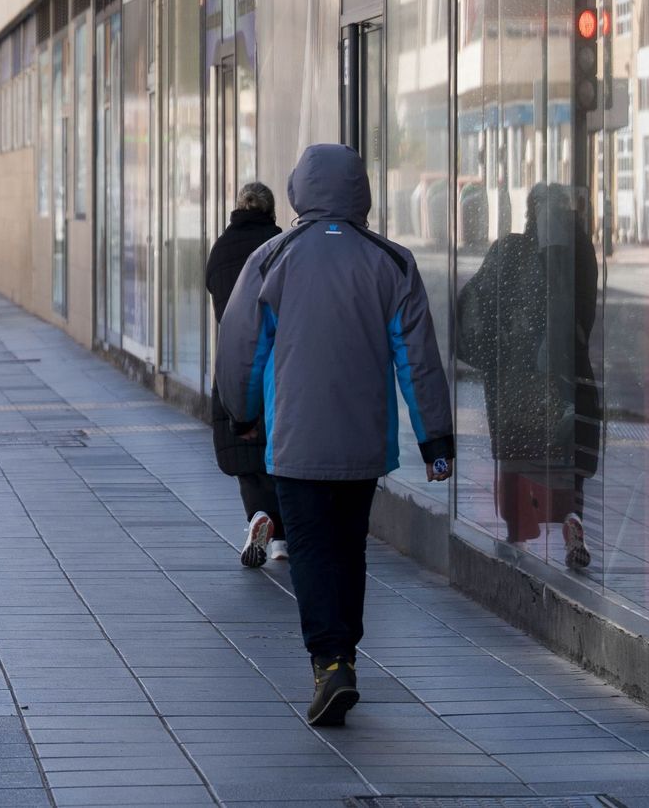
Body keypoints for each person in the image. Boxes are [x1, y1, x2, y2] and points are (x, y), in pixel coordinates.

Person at [216, 144, 454, 728]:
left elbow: (241, 347)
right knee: (349, 549)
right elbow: (418, 359)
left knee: (310, 551)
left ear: (299, 189)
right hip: (362, 444)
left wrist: (243, 414)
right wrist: (435, 441)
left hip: (295, 441)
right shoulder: (392, 262)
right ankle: (344, 653)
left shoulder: (272, 259)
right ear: (359, 191)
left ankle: (330, 663)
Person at [456, 184, 598, 567]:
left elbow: (478, 305)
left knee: (518, 455)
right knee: (566, 457)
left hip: (517, 379)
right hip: (564, 375)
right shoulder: (580, 250)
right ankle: (571, 518)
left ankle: (518, 529)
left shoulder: (510, 250)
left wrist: (492, 350)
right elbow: (583, 311)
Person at [205, 182, 286, 567]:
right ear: (271, 210)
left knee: (244, 455)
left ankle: (257, 517)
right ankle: (282, 539)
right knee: (279, 453)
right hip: (278, 362)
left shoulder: (221, 248)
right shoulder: (281, 245)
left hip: (232, 358)